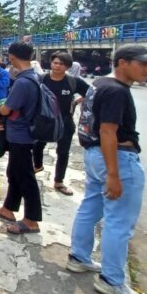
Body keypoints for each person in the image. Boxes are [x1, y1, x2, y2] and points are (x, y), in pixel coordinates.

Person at [67, 44, 147, 294]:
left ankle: (79, 256)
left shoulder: (100, 83)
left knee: (91, 206)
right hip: (114, 155)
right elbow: (108, 131)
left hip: (95, 154)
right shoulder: (116, 91)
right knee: (119, 221)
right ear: (122, 62)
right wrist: (114, 174)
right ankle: (111, 280)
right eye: (142, 64)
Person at [0, 42, 43, 235]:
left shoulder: (23, 82)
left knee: (25, 176)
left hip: (21, 136)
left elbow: (7, 108)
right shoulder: (32, 77)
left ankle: (31, 220)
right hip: (21, 134)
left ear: (12, 57)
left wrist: (1, 109)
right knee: (15, 172)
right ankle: (8, 209)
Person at [32, 51, 90, 195]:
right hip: (44, 121)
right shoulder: (41, 79)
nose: (57, 66)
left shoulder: (73, 81)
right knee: (37, 145)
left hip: (64, 121)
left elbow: (90, 94)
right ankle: (37, 166)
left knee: (63, 152)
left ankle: (59, 182)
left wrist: (76, 102)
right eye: (55, 63)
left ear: (68, 67)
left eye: (61, 64)